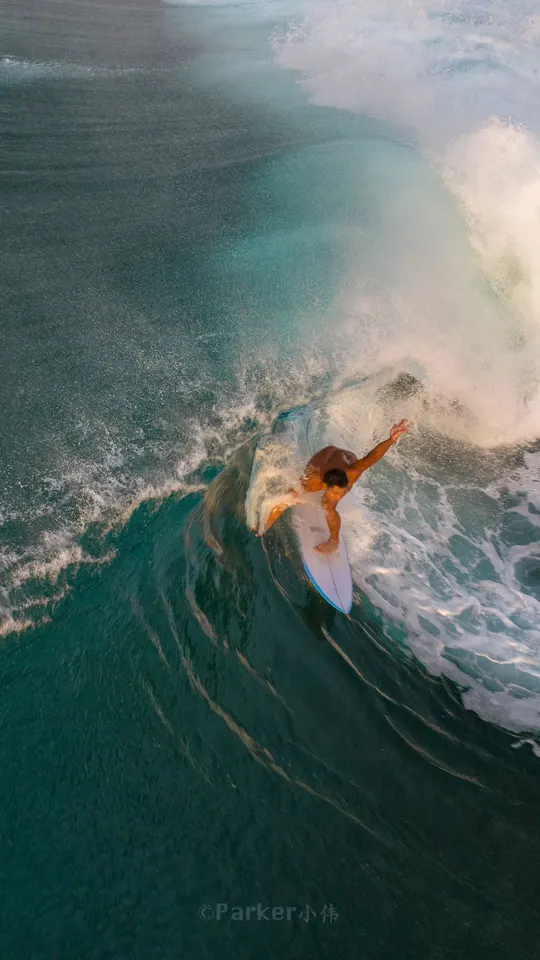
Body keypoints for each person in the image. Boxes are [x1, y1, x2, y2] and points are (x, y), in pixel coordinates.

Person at [256, 419, 409, 554]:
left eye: (342, 490)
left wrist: (391, 439)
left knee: (328, 505)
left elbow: (373, 456)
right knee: (305, 497)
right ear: (325, 486)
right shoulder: (312, 481)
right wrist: (263, 527)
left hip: (345, 457)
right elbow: (281, 502)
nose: (338, 496)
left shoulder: (352, 471)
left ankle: (333, 542)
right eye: (335, 492)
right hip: (323, 457)